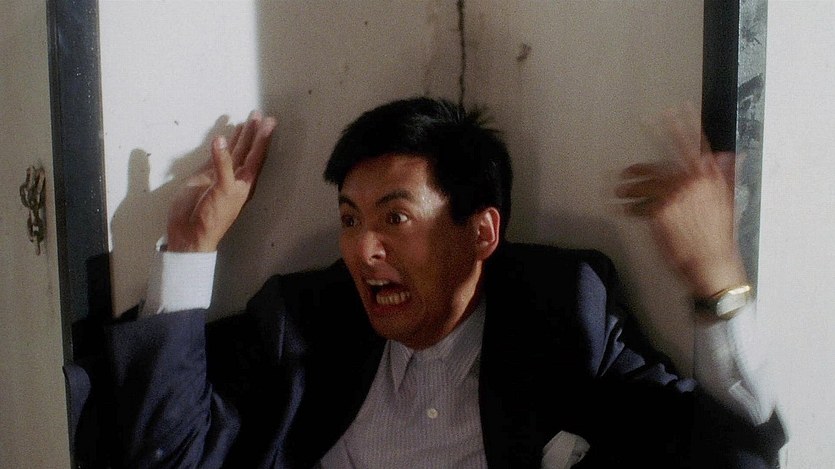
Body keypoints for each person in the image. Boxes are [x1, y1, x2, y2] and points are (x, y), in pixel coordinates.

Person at [101, 97, 785, 468]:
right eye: (349, 218)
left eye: (394, 217)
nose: (363, 249)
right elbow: (168, 455)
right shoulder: (303, 319)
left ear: (481, 232)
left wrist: (714, 277)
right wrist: (189, 250)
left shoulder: (564, 308)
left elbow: (734, 456)